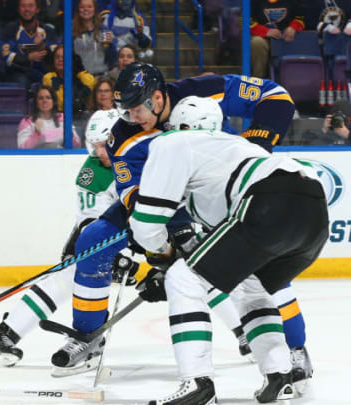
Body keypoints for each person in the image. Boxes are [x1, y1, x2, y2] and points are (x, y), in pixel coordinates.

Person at [51, 62, 314, 384]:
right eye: (126, 110)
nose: (132, 118)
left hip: (217, 194)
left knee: (258, 259)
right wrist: (161, 238)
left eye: (136, 109)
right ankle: (88, 335)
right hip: (160, 204)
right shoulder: (122, 133)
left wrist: (258, 144)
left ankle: (294, 348)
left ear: (158, 97)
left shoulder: (203, 91)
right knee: (93, 240)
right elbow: (129, 189)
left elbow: (274, 96)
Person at [129, 96, 328, 404]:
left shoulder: (175, 142)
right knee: (252, 286)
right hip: (313, 211)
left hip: (266, 201)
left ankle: (196, 382)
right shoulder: (236, 148)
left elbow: (147, 221)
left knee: (183, 279)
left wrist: (163, 258)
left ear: (180, 126)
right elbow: (223, 238)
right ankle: (280, 375)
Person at [0, 107, 120, 367]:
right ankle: (6, 334)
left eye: (104, 145)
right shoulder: (92, 173)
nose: (99, 152)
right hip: (99, 236)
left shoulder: (137, 156)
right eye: (95, 146)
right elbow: (95, 223)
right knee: (67, 279)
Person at [1, 0, 57, 89]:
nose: (26, 9)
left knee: (52, 81)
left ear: (37, 9)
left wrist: (43, 46)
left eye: (30, 6)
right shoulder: (10, 30)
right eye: (23, 6)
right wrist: (28, 58)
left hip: (43, 71)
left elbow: (56, 55)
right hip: (19, 73)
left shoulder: (47, 30)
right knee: (22, 82)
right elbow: (6, 57)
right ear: (19, 9)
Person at [250, 0, 305, 79]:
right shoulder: (253, 2)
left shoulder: (294, 2)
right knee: (257, 43)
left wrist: (293, 27)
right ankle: (258, 81)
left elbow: (302, 17)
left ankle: (295, 81)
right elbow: (242, 20)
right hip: (263, 38)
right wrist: (265, 31)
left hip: (285, 39)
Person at [42, 44, 95, 117]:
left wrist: (80, 71)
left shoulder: (79, 77)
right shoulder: (49, 77)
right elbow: (61, 104)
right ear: (53, 61)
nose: (60, 59)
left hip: (79, 116)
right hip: (58, 117)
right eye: (57, 57)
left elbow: (92, 85)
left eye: (64, 57)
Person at [72, 0, 115, 77]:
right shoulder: (71, 31)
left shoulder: (103, 30)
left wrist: (111, 45)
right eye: (82, 7)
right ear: (78, 10)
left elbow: (112, 59)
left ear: (95, 9)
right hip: (80, 79)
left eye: (89, 6)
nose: (86, 9)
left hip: (101, 77)